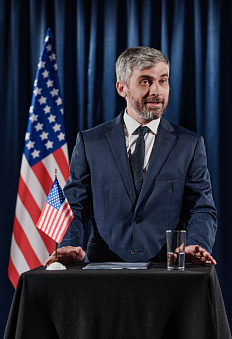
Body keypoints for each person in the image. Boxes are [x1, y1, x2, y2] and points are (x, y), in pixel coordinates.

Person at [44, 46, 217, 267]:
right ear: (122, 88)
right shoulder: (91, 142)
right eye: (145, 81)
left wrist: (195, 244)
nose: (156, 91)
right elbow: (75, 206)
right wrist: (68, 244)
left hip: (167, 271)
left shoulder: (189, 144)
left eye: (162, 81)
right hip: (104, 271)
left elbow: (201, 208)